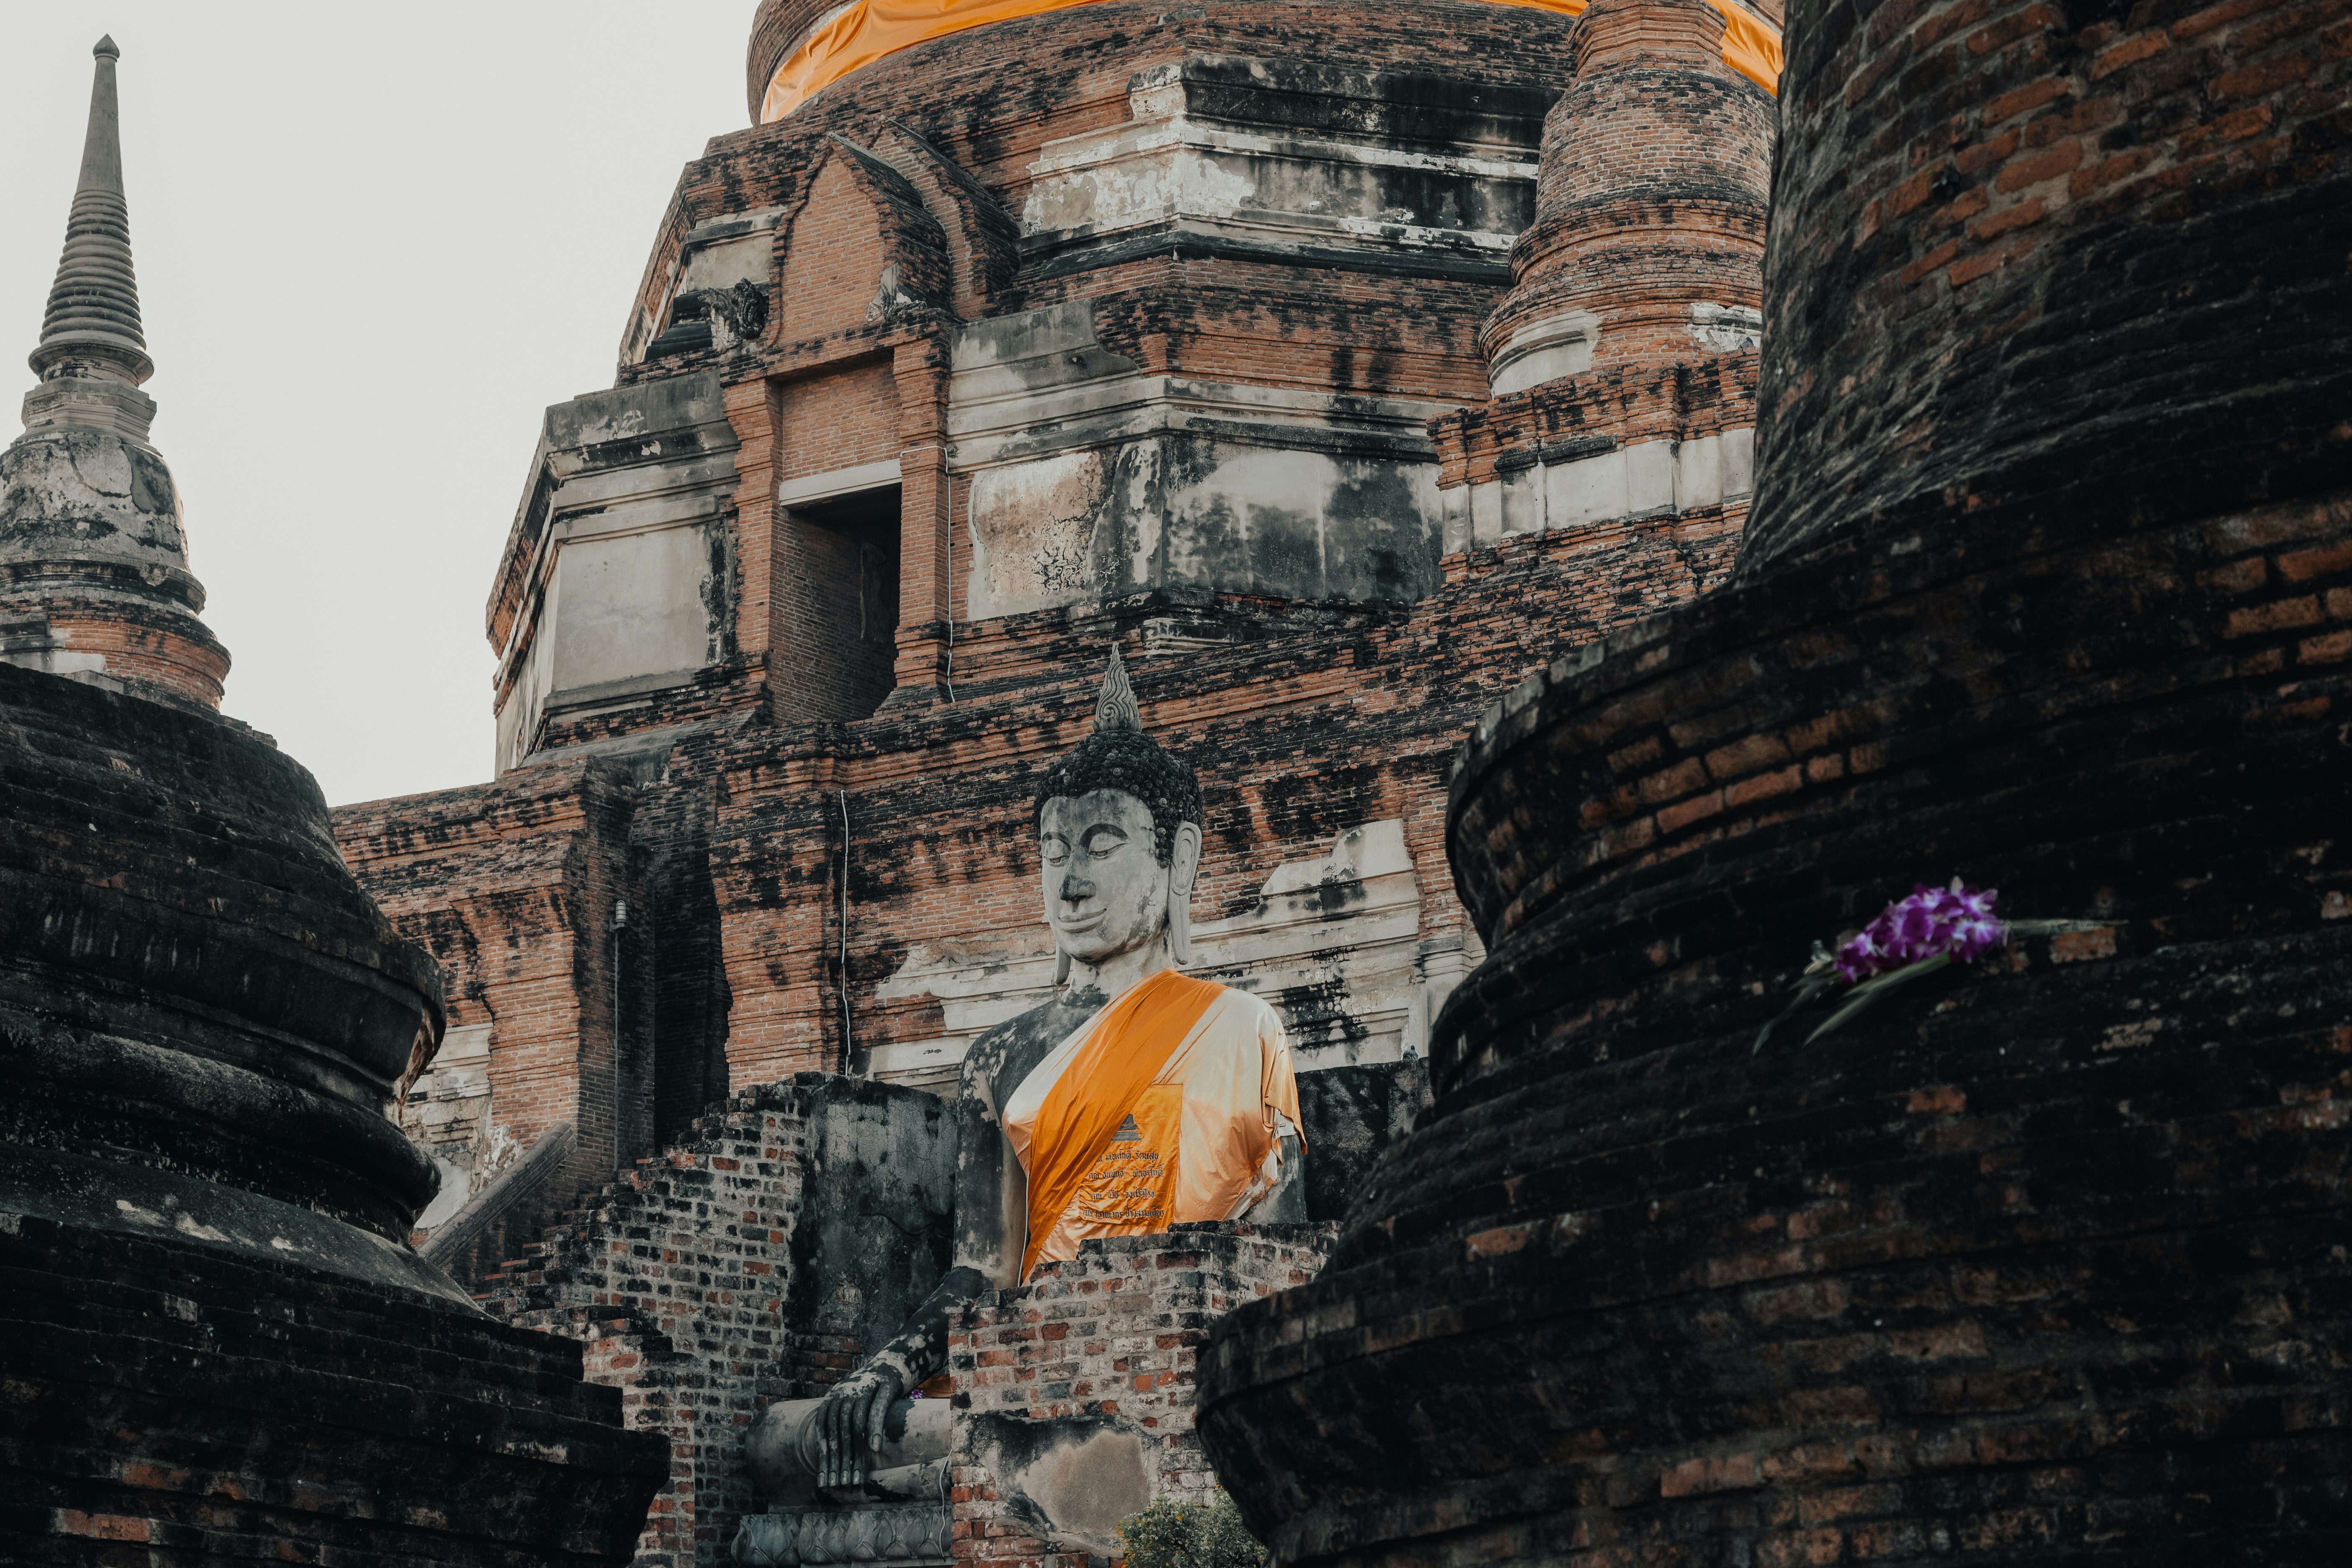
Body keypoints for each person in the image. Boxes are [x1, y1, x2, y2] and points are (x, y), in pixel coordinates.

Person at [813, 647, 1305, 1487]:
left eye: (1103, 844)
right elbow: (984, 1271)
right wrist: (884, 1369)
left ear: (1177, 860)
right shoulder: (1000, 1059)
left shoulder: (1242, 1028)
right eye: (1052, 851)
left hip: (1190, 1362)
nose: (1071, 883)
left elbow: (1282, 1252)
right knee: (804, 1440)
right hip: (1037, 1362)